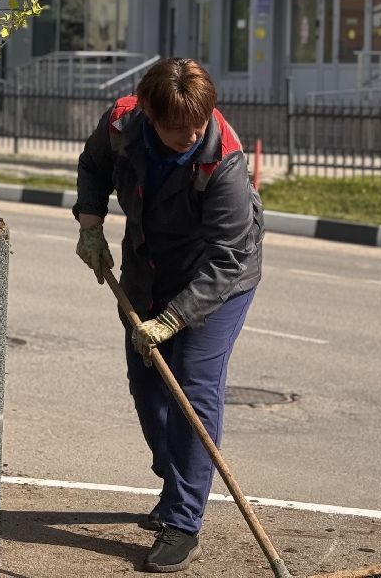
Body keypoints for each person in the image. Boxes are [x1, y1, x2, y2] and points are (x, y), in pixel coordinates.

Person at [73, 57, 263, 573]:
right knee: (147, 381)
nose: (191, 134)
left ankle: (183, 522)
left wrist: (174, 319)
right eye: (178, 126)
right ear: (151, 117)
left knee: (194, 389)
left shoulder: (221, 160)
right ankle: (176, 475)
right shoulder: (121, 125)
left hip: (217, 280)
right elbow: (93, 168)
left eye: (199, 122)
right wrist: (91, 226)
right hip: (147, 266)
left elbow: (227, 257)